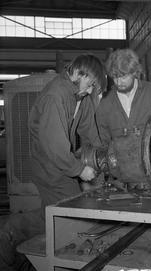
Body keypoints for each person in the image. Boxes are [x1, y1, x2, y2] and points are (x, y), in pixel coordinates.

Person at [0, 54, 107, 270]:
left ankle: (26, 249)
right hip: (49, 165)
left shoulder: (79, 96)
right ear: (78, 72)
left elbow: (89, 132)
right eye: (90, 84)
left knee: (64, 211)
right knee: (67, 213)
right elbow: (55, 146)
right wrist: (79, 170)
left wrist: (102, 157)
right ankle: (10, 231)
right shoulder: (55, 95)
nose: (89, 90)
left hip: (60, 163)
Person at [95, 48, 151, 190]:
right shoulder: (105, 103)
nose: (119, 82)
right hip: (120, 181)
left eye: (123, 76)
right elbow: (103, 143)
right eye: (115, 77)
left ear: (134, 72)